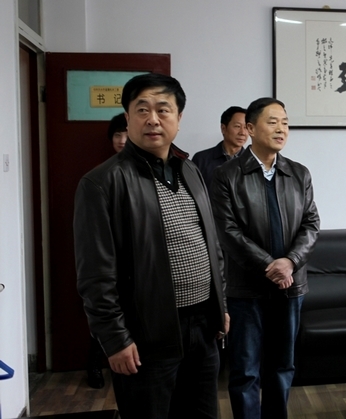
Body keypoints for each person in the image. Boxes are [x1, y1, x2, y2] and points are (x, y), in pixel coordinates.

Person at [74, 73, 229, 419]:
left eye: (163, 109)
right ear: (127, 118)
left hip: (203, 328)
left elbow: (212, 246)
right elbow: (95, 275)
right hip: (146, 335)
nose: (153, 119)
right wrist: (115, 339)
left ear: (179, 118)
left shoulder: (190, 170)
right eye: (142, 110)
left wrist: (221, 306)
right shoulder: (102, 183)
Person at [210, 97, 320, 419]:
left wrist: (290, 262)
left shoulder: (298, 173)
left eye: (285, 122)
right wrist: (268, 265)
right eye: (272, 122)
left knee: (282, 366)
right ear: (250, 128)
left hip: (290, 287)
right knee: (245, 370)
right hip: (246, 290)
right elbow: (227, 231)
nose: (281, 129)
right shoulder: (226, 175)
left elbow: (311, 224)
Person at [85, 111, 130, 389]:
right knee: (103, 314)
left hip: (133, 263)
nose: (122, 140)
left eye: (126, 134)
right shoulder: (100, 176)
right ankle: (94, 365)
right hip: (106, 259)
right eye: (117, 135)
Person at [192, 106, 248, 188]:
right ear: (223, 128)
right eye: (237, 126)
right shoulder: (201, 159)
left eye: (246, 127)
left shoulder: (253, 161)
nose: (242, 132)